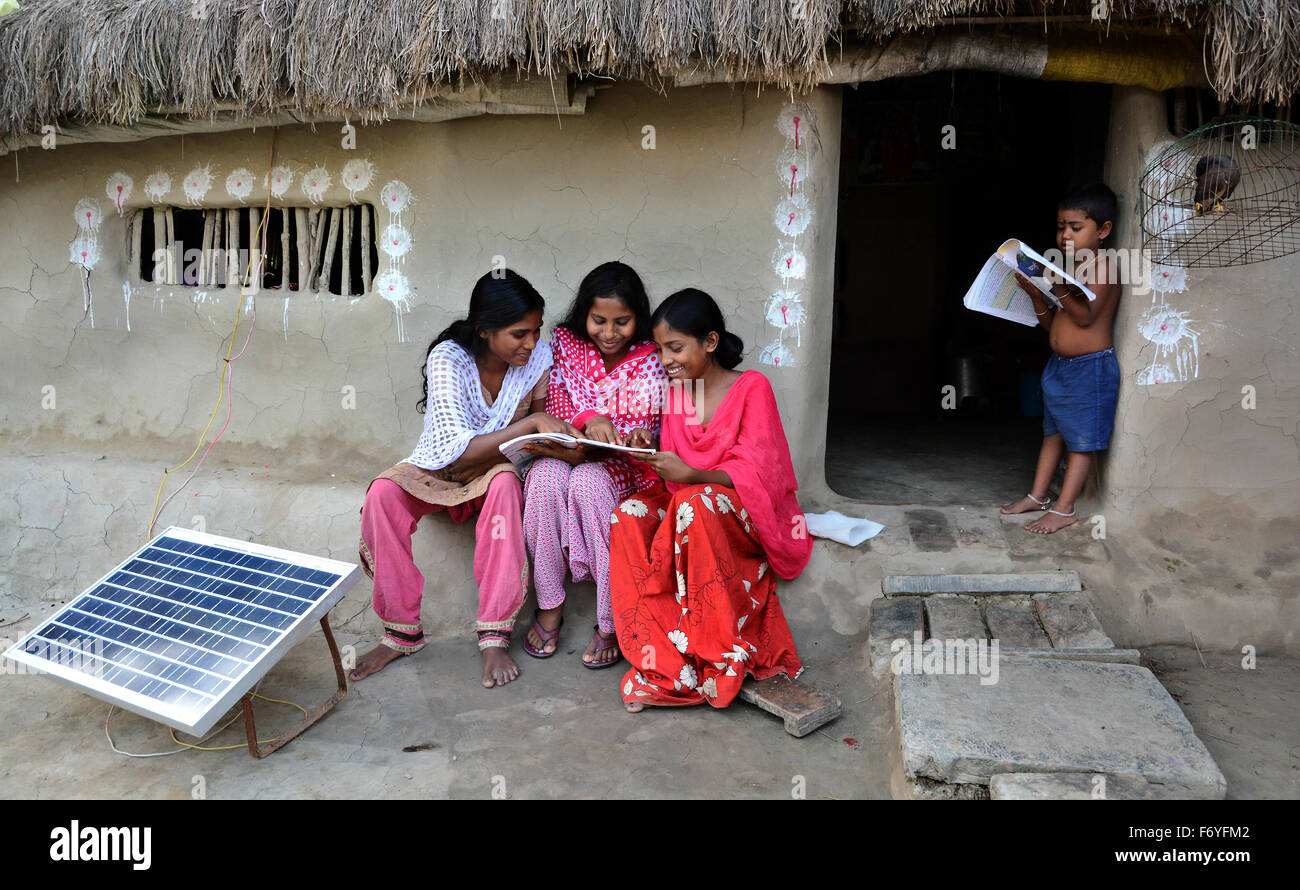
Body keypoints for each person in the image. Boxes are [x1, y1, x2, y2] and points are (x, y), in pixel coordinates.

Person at [351, 269, 581, 688]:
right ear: (484, 331)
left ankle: (495, 636)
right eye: (518, 333)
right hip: (440, 467)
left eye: (536, 330)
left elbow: (541, 440)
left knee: (506, 485)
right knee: (384, 493)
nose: (531, 342)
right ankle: (401, 633)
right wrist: (526, 425)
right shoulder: (449, 358)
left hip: (500, 469)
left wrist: (509, 444)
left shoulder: (539, 360)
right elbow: (455, 452)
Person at [609, 288, 812, 712]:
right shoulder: (679, 392)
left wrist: (694, 476)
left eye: (676, 347)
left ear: (711, 342)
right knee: (627, 516)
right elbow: (669, 470)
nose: (665, 360)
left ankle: (716, 657)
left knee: (696, 504)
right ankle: (663, 659)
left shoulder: (751, 388)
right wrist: (648, 446)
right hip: (686, 500)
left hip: (737, 512)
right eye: (661, 348)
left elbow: (761, 476)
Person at [521, 262, 668, 668]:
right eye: (598, 320)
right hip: (563, 452)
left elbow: (648, 419)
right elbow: (557, 407)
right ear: (584, 313)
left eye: (621, 322)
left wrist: (635, 435)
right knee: (546, 478)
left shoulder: (651, 357)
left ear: (637, 318)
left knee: (588, 483)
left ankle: (609, 619)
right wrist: (590, 420)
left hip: (621, 467)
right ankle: (549, 604)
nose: (608, 332)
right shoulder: (565, 344)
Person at [1001, 184, 1123, 534]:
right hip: (1060, 368)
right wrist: (1035, 292)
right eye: (1060, 227)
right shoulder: (1070, 269)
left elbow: (1085, 317)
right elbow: (1052, 324)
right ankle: (1039, 496)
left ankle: (1065, 508)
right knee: (1052, 433)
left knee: (1081, 441)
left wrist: (1054, 284)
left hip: (1090, 369)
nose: (1065, 234)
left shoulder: (1105, 267)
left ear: (1103, 231)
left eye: (1075, 227)